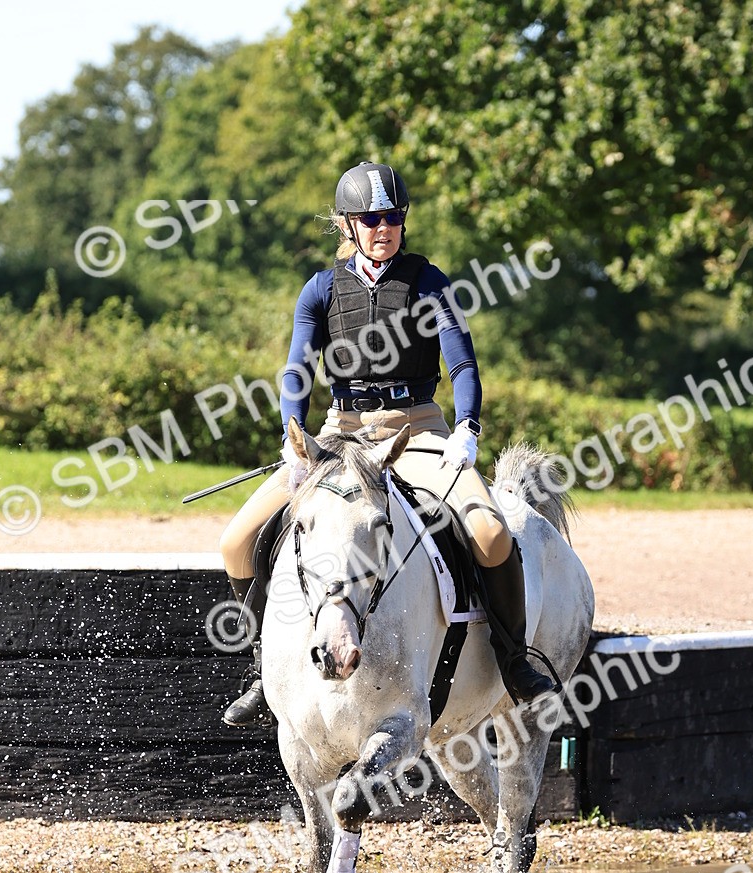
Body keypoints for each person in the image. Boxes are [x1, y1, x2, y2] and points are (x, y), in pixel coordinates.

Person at [219, 161, 557, 726]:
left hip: (415, 430)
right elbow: (297, 370)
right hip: (339, 436)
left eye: (394, 217)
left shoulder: (429, 282)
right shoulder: (321, 289)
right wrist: (293, 440)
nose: (384, 228)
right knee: (235, 542)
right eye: (372, 219)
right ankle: (262, 667)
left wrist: (467, 428)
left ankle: (513, 660)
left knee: (491, 533)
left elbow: (463, 364)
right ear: (347, 224)